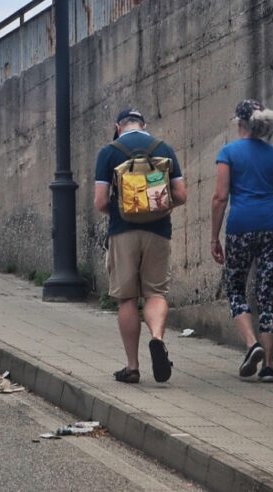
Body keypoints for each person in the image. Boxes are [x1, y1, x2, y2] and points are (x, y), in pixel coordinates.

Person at [94, 108, 187, 384]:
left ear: (118, 126)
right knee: (156, 293)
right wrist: (158, 204)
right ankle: (157, 338)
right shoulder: (164, 148)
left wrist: (124, 208)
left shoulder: (108, 152)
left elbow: (100, 202)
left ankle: (132, 367)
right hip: (158, 231)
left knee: (127, 298)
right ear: (144, 125)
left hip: (123, 232)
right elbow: (181, 194)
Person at [210, 100, 273, 383]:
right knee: (266, 293)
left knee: (235, 288)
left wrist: (214, 236)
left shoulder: (229, 153)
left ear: (240, 123)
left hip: (242, 226)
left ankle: (251, 344)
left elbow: (221, 198)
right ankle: (268, 367)